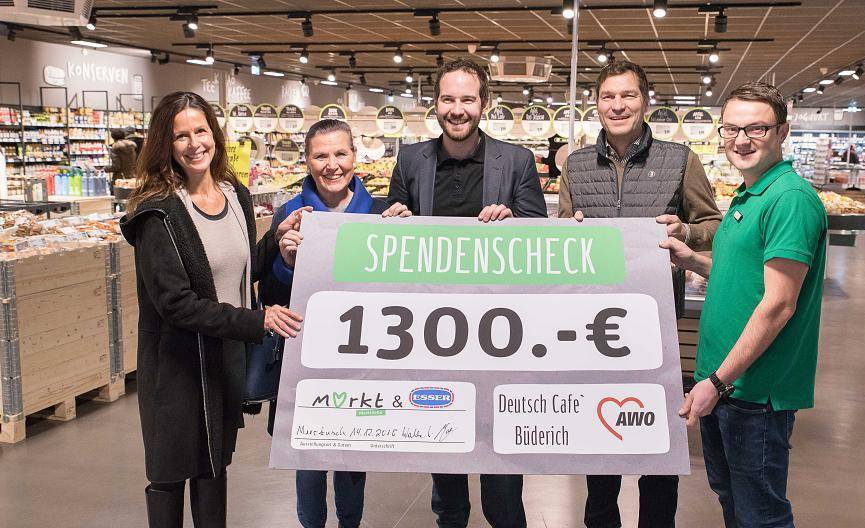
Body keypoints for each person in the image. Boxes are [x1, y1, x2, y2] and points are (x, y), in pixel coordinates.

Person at [119, 91, 304, 528]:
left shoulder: (233, 195)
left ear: (215, 135)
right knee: (169, 471)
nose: (193, 143)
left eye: (200, 130)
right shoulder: (157, 215)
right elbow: (177, 304)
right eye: (179, 135)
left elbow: (235, 271)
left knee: (213, 465)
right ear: (165, 143)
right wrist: (256, 321)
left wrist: (275, 240)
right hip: (176, 368)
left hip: (221, 362)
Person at [558, 58, 722, 528]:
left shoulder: (680, 159)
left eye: (628, 95)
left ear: (645, 101)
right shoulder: (577, 163)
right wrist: (569, 232)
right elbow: (565, 229)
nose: (618, 105)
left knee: (657, 450)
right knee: (598, 446)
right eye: (608, 96)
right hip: (594, 333)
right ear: (595, 104)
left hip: (657, 332)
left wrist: (686, 231)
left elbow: (712, 224)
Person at [384, 57, 547, 528]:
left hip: (500, 337)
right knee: (445, 450)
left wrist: (515, 224)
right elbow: (397, 245)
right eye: (448, 99)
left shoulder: (515, 161)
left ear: (485, 104)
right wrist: (394, 223)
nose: (457, 110)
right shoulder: (411, 159)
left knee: (501, 467)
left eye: (467, 100)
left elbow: (540, 236)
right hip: (435, 337)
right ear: (435, 104)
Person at [661, 81, 827, 528]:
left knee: (760, 513)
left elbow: (778, 305)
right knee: (733, 500)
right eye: (731, 129)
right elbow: (745, 276)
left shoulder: (789, 199)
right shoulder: (747, 195)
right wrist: (694, 258)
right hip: (726, 383)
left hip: (752, 391)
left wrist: (716, 381)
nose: (741, 140)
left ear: (782, 131)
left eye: (756, 128)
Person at [261, 119, 394, 528]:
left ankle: (350, 522)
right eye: (321, 156)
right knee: (309, 454)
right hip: (306, 354)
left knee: (354, 451)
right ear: (307, 160)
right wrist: (285, 262)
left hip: (362, 354)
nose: (332, 165)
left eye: (340, 154)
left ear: (355, 156)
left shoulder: (379, 211)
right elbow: (270, 294)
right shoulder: (290, 213)